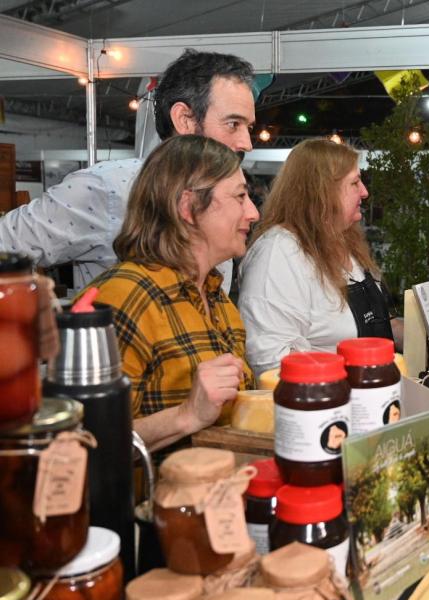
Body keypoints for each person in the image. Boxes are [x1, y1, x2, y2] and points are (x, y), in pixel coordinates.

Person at [0, 49, 256, 292]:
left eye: (249, 127)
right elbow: (5, 244)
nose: (247, 143)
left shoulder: (227, 198)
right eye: (233, 124)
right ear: (185, 120)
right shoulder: (107, 188)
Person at [86, 135, 258, 452]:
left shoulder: (217, 298)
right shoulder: (124, 297)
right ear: (188, 207)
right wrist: (187, 415)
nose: (253, 213)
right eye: (240, 197)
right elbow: (85, 445)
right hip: (152, 499)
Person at [239, 138, 396, 376]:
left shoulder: (344, 240)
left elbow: (374, 325)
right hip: (324, 406)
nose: (365, 192)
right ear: (323, 192)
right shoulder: (279, 253)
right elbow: (270, 361)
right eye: (355, 183)